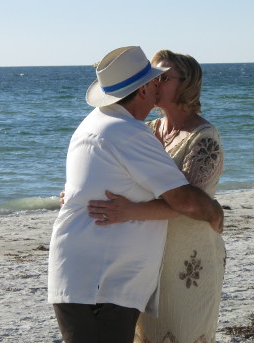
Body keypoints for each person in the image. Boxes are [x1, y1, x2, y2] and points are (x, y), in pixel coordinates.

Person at [47, 46, 224, 343]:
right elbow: (184, 200)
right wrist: (215, 210)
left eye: (164, 77)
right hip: (104, 279)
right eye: (155, 78)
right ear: (142, 90)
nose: (158, 84)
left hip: (153, 265)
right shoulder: (134, 131)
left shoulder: (104, 122)